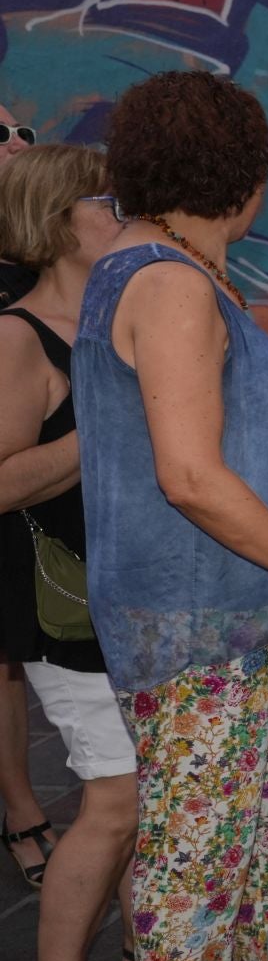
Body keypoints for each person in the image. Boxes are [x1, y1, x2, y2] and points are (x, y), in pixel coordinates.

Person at [72, 70, 268, 961]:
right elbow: (189, 473)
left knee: (261, 813)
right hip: (193, 614)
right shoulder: (170, 286)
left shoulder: (174, 271)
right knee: (195, 836)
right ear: (240, 176)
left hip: (239, 605)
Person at [0, 144, 139, 961]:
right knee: (116, 800)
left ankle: (146, 951)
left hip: (133, 601)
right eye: (109, 200)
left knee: (148, 795)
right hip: (68, 614)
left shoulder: (117, 314)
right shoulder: (18, 336)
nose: (126, 213)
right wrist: (107, 427)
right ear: (57, 220)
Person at [0, 96, 54, 890]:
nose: (14, 142)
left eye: (22, 132)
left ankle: (18, 804)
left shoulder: (27, 257)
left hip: (27, 489)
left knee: (5, 651)